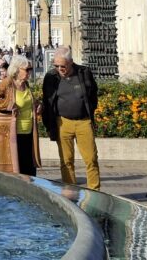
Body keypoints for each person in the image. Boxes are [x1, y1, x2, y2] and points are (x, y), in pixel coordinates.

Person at [41, 46, 100, 190]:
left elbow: (93, 94)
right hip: (62, 122)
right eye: (56, 65)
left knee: (91, 159)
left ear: (71, 62)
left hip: (83, 122)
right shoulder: (51, 77)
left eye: (63, 66)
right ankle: (70, 191)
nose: (60, 69)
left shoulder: (84, 72)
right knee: (66, 161)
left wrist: (89, 112)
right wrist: (49, 126)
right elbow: (47, 102)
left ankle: (94, 190)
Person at [0, 55, 41, 176]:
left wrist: (36, 105)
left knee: (29, 169)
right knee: (16, 168)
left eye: (30, 69)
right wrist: (8, 105)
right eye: (27, 69)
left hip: (29, 132)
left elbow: (27, 102)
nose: (29, 72)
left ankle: (30, 192)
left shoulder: (26, 85)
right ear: (17, 70)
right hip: (13, 133)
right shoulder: (7, 83)